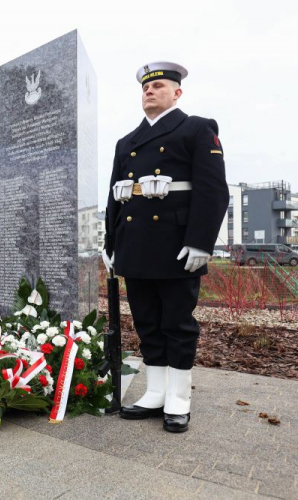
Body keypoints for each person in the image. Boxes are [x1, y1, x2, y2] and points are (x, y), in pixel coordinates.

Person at [104, 62, 228, 433]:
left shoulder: (196, 128)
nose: (149, 91)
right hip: (136, 245)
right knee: (147, 322)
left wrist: (200, 242)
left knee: (177, 322)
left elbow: (212, 190)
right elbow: (115, 198)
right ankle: (155, 391)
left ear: (177, 92)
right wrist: (111, 243)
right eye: (145, 87)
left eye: (158, 85)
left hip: (176, 246)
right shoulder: (126, 142)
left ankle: (178, 396)